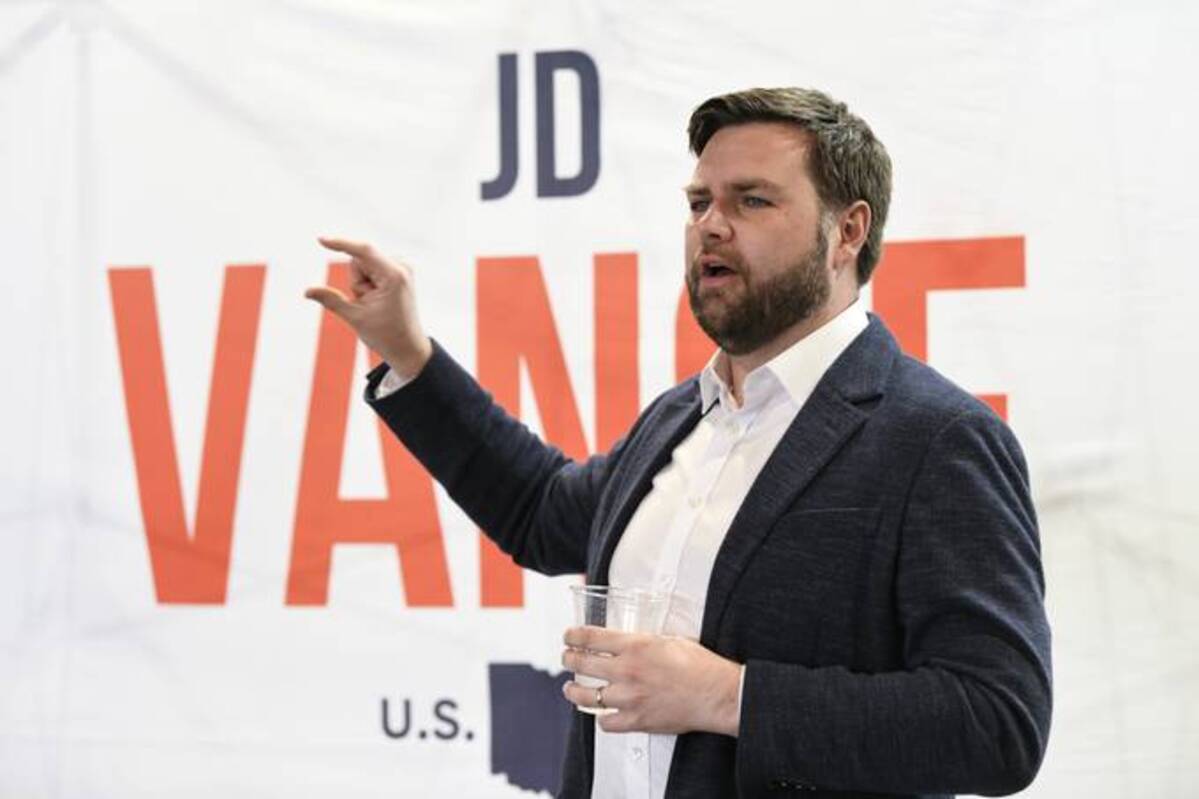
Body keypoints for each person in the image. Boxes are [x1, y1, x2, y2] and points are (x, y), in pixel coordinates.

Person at [305, 87, 1052, 799]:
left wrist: (727, 695)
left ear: (847, 232)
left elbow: (997, 720)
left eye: (751, 200)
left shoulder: (936, 437)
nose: (711, 225)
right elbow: (539, 512)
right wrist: (408, 354)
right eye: (699, 202)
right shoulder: (681, 419)